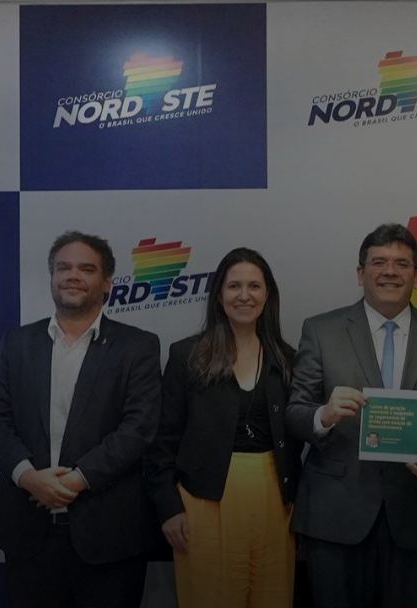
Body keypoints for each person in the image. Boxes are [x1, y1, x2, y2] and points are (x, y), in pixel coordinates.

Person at [285, 223, 417, 608]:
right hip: (336, 516)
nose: (389, 272)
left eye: (402, 264)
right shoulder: (321, 330)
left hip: (414, 518)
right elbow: (295, 413)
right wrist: (324, 415)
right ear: (360, 272)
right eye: (379, 262)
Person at [0, 231, 161, 608]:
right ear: (52, 276)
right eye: (63, 268)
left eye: (86, 269)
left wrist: (76, 479)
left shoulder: (138, 346)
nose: (72, 275)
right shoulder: (17, 343)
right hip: (28, 534)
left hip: (108, 537)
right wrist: (27, 476)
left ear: (106, 283)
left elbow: (138, 429)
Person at [145, 247, 301, 608]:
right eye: (234, 286)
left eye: (254, 286)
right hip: (202, 503)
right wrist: (169, 508)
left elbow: (296, 438)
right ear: (218, 295)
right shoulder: (187, 356)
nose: (244, 296)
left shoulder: (287, 359)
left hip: (275, 504)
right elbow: (162, 441)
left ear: (268, 294)